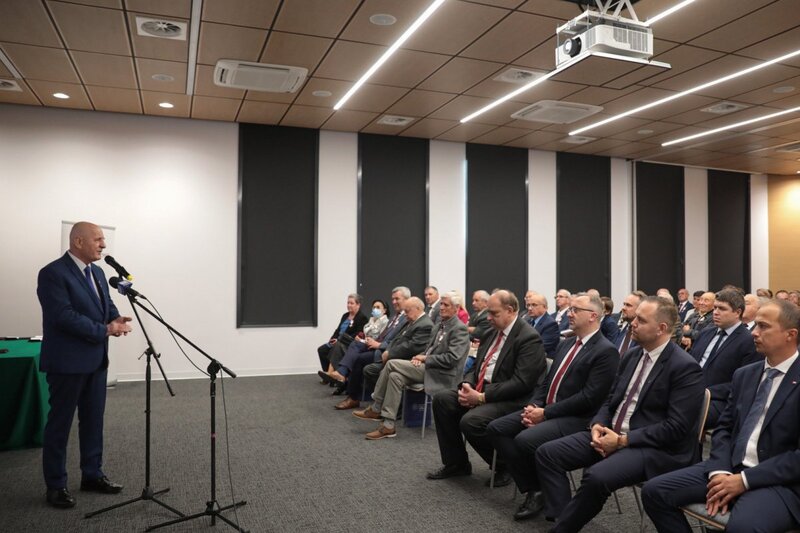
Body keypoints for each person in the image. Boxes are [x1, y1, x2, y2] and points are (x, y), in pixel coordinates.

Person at [535, 296, 704, 531]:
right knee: (548, 453)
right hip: (612, 433)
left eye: (641, 320)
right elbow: (611, 399)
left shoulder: (684, 367)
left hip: (651, 447)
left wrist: (623, 441)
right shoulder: (633, 355)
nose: (632, 323)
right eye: (634, 318)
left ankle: (563, 528)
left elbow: (676, 427)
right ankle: (565, 519)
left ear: (661, 329)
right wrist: (597, 424)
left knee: (596, 476)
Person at [642, 299, 800, 533]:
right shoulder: (745, 374)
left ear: (790, 334)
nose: (754, 333)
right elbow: (724, 428)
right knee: (655, 492)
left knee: (743, 527)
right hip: (730, 468)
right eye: (755, 325)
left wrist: (744, 481)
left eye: (763, 327)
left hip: (778, 481)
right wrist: (720, 471)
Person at [487, 293, 619, 520]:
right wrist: (534, 405)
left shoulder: (605, 351)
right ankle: (534, 488)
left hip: (578, 418)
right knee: (496, 428)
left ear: (593, 316)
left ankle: (553, 506)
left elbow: (589, 398)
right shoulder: (567, 343)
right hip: (547, 409)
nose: (570, 313)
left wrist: (545, 413)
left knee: (525, 440)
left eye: (576, 310)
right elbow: (546, 382)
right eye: (570, 309)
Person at [37, 221, 133, 508]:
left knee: (93, 421)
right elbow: (62, 316)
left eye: (103, 240)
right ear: (78, 242)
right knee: (60, 425)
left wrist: (115, 320)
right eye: (98, 239)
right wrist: (104, 330)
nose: (103, 245)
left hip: (96, 361)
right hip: (67, 362)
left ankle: (92, 475)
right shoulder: (53, 273)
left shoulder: (100, 273)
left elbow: (107, 308)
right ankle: (55, 485)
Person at [426, 290, 546, 485]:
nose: (488, 318)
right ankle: (457, 463)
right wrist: (467, 384)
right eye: (488, 312)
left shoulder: (528, 338)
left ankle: (505, 465)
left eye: (494, 313)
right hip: (482, 389)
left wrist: (481, 397)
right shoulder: (491, 332)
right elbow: (476, 365)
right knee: (442, 399)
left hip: (512, 399)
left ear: (510, 310)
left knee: (471, 421)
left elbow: (522, 382)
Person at [353, 291, 469, 439]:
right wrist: (419, 358)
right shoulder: (439, 325)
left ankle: (376, 407)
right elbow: (428, 349)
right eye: (441, 304)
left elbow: (452, 359)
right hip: (428, 368)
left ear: (456, 308)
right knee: (395, 376)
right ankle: (388, 425)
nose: (441, 307)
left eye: (446, 304)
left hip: (442, 374)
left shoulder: (459, 329)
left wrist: (425, 358)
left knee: (391, 364)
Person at [334, 296, 432, 410]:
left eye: (407, 310)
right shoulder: (408, 320)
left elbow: (410, 347)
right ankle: (378, 402)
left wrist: (388, 351)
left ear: (418, 308)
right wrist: (388, 350)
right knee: (361, 359)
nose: (405, 313)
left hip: (407, 359)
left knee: (364, 362)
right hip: (390, 353)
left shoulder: (424, 324)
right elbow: (396, 339)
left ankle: (378, 403)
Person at [689, 289, 760, 429]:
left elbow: (744, 383)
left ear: (738, 312)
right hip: (690, 392)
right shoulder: (705, 333)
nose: (715, 312)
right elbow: (691, 364)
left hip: (719, 400)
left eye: (722, 309)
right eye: (715, 307)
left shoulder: (748, 341)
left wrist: (704, 392)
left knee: (684, 415)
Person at [319, 299, 388, 384]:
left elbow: (378, 338)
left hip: (371, 345)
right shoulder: (371, 320)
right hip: (361, 342)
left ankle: (338, 375)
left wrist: (361, 339)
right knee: (333, 346)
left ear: (384, 310)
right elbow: (362, 333)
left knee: (341, 344)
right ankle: (335, 375)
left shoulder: (384, 322)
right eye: (374, 307)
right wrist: (360, 337)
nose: (375, 309)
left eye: (378, 307)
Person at [316, 293, 368, 373]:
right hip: (337, 341)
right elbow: (338, 330)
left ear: (358, 305)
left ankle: (332, 374)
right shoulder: (345, 315)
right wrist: (332, 339)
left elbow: (357, 334)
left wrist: (339, 340)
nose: (349, 305)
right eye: (348, 303)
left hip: (347, 343)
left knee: (336, 347)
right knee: (322, 350)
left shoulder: (362, 318)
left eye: (351, 303)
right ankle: (327, 374)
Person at [522, 292, 559, 357]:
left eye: (534, 305)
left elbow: (540, 347)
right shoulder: (527, 321)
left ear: (545, 307)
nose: (530, 308)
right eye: (528, 305)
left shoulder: (551, 324)